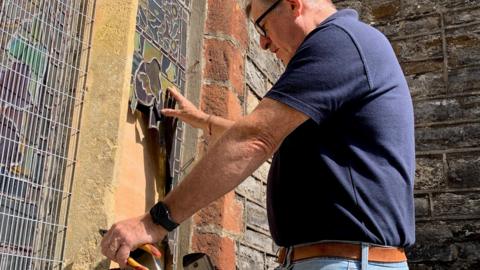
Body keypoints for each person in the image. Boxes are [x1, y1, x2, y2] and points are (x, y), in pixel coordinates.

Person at [101, 0, 415, 269]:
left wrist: (153, 222)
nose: (263, 43)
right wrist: (204, 120)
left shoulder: (338, 42)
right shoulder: (349, 45)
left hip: (345, 262)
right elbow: (275, 136)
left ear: (293, 4)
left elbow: (257, 138)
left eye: (263, 28)